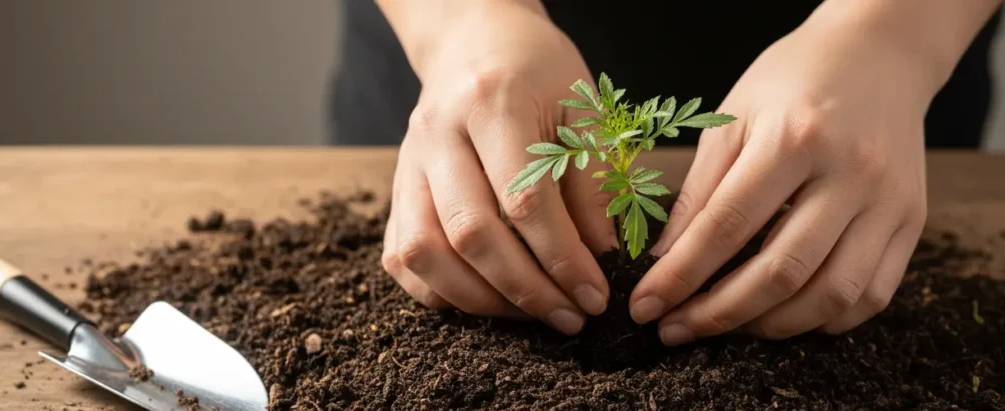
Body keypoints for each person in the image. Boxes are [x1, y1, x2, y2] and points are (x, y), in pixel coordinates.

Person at [327, 0, 1004, 343]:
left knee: (834, 248)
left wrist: (897, 39)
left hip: (865, 109)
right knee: (479, 223)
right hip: (469, 82)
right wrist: (459, 26)